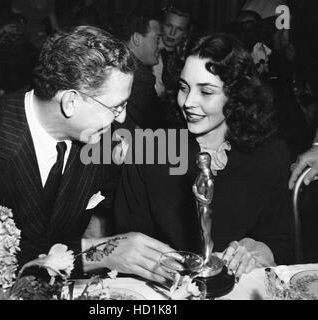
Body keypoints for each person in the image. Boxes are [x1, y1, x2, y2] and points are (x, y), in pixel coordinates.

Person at [0, 26, 174, 283]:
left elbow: (161, 164)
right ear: (70, 102)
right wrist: (102, 252)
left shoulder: (102, 134)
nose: (122, 117)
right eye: (116, 107)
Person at [115, 33, 294, 280]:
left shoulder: (272, 155)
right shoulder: (148, 150)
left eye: (206, 92)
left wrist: (261, 249)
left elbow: (282, 242)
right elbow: (127, 245)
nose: (188, 102)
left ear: (236, 95)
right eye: (184, 88)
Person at [113, 11, 166, 131]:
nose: (161, 45)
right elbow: (157, 129)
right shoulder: (141, 77)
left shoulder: (114, 62)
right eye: (157, 39)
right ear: (137, 38)